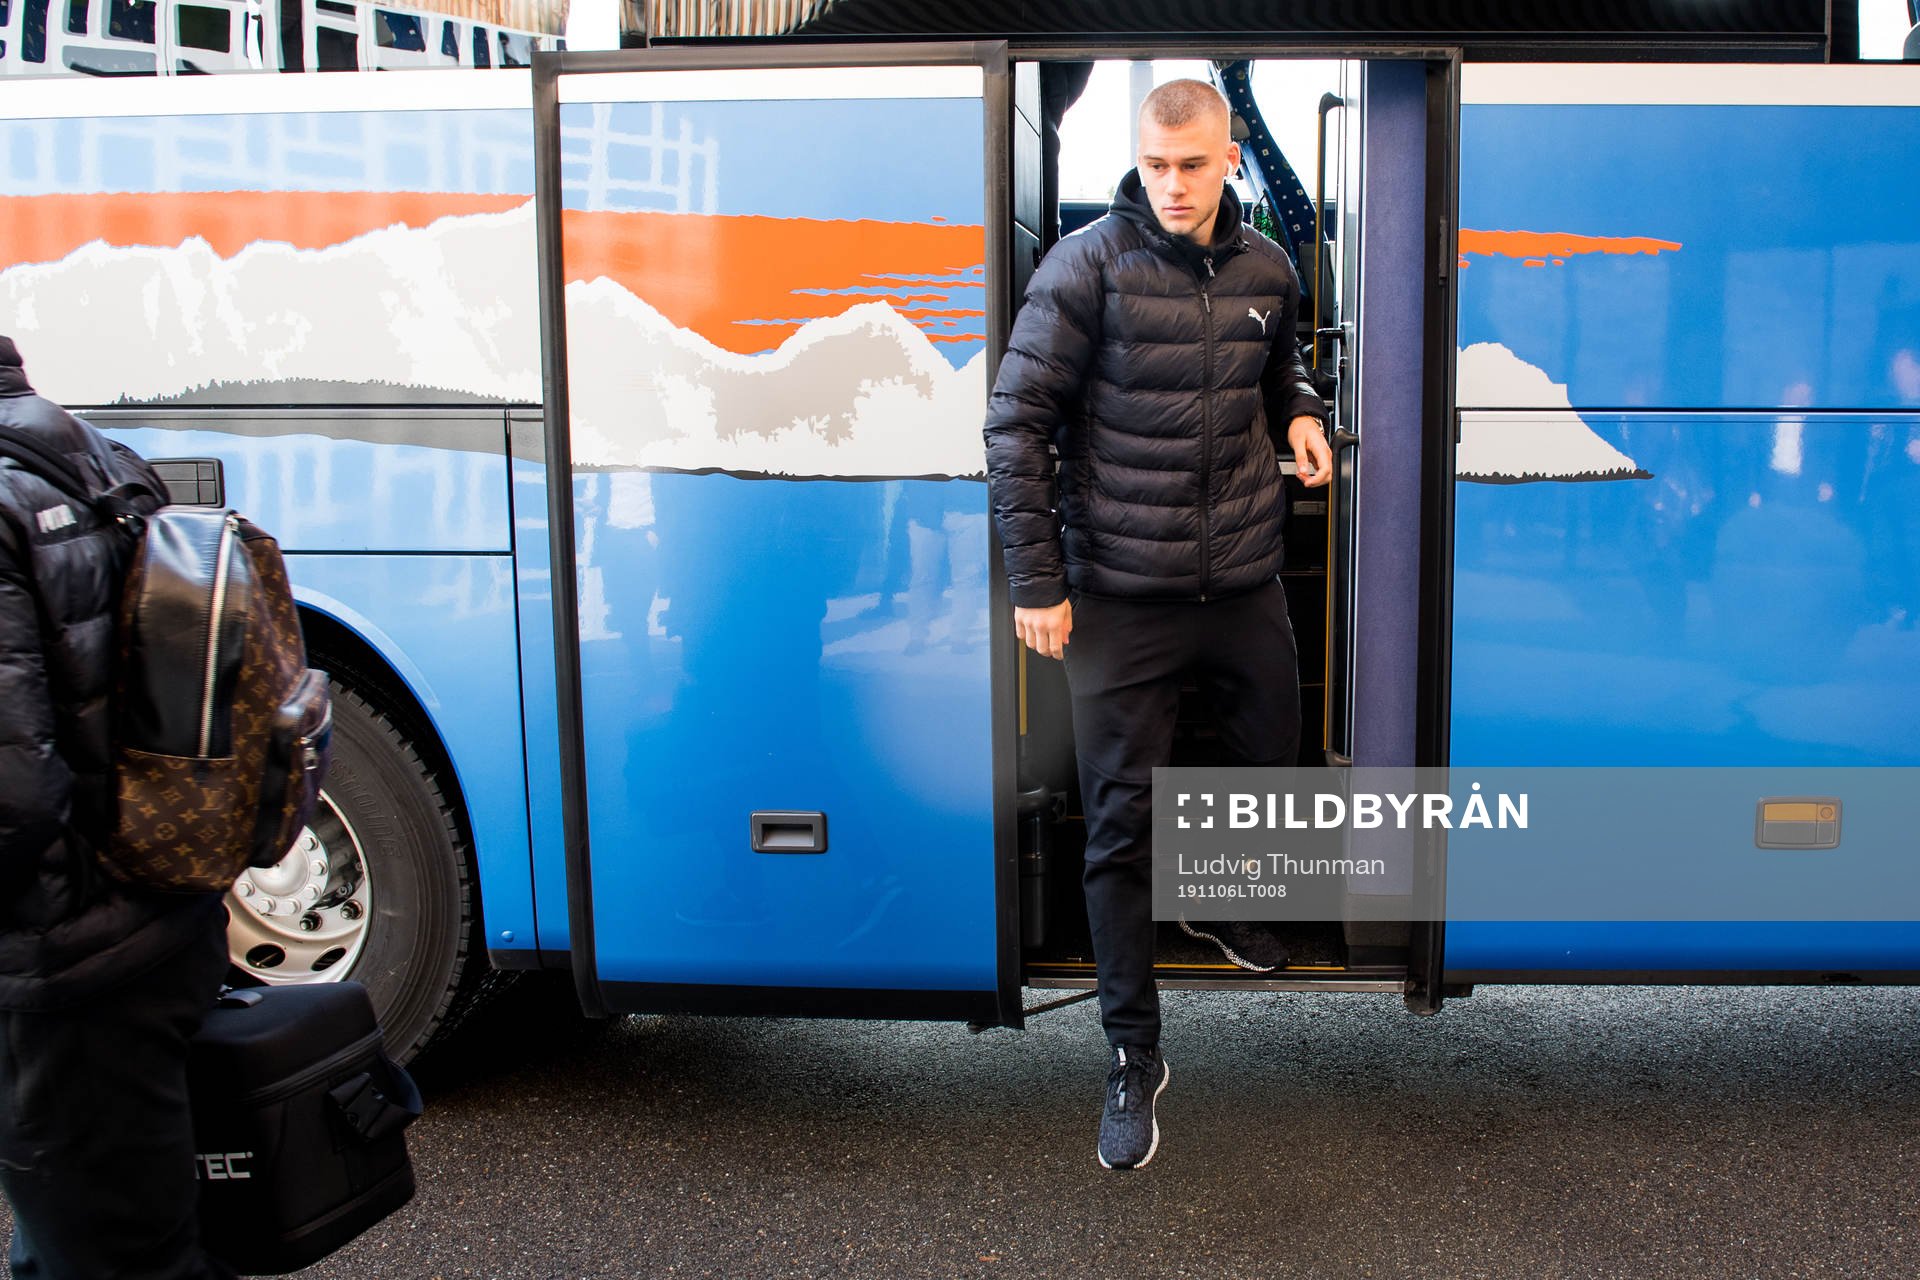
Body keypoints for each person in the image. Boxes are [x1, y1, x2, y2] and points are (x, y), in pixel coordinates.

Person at [982, 80, 1332, 1170]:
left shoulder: (1271, 267)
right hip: (1121, 599)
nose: (1171, 186)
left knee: (1268, 759)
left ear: (1229, 160)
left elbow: (1282, 359)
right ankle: (1134, 1053)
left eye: (1193, 165)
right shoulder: (1086, 265)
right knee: (1121, 827)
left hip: (1242, 586)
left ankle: (1221, 908)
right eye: (1154, 165)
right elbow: (1014, 426)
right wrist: (1038, 585)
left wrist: (1303, 409)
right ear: (1136, 160)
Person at [0, 335, 237, 1278]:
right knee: (86, 1239)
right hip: (157, 915)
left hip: (66, 967)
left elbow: (11, 797)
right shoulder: (87, 452)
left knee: (116, 1256)